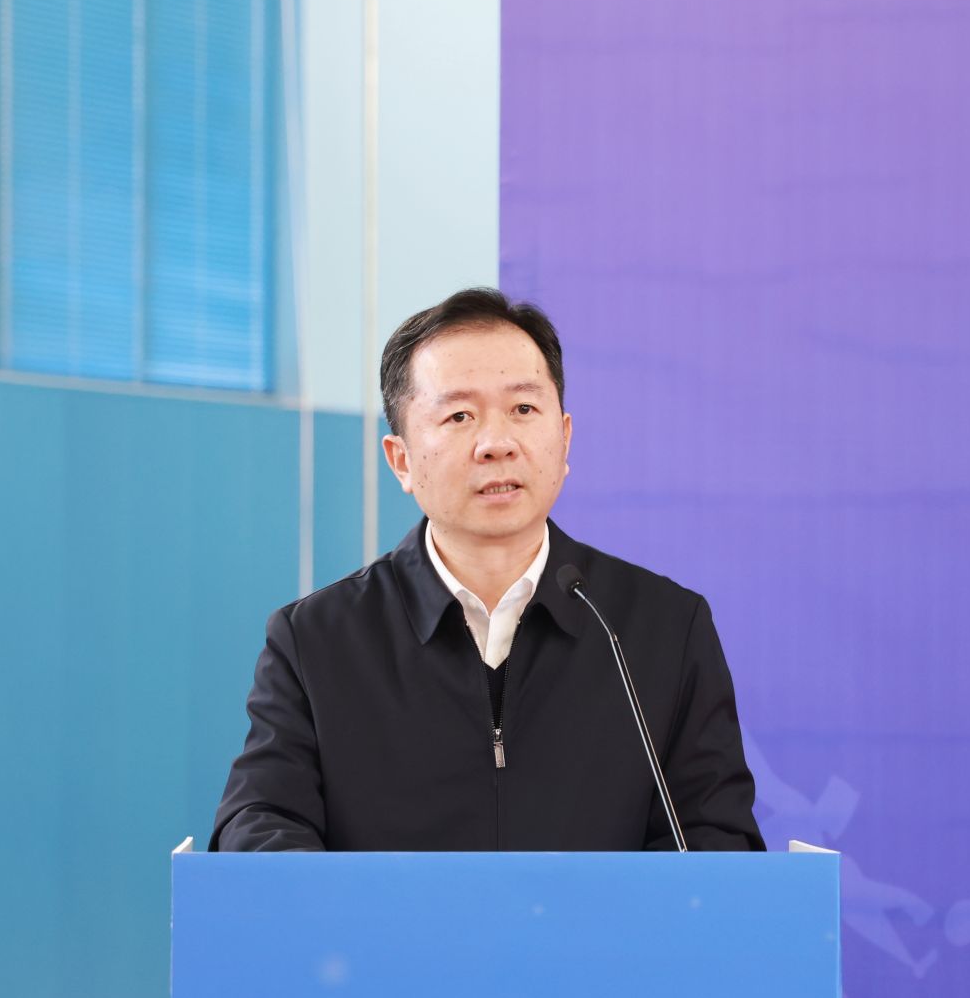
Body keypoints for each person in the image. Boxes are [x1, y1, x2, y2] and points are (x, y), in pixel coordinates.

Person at [211, 287, 762, 852]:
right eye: (459, 415)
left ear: (564, 439)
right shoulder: (316, 640)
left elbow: (716, 838)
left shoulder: (663, 628)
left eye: (523, 409)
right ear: (401, 460)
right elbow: (259, 823)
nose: (497, 443)